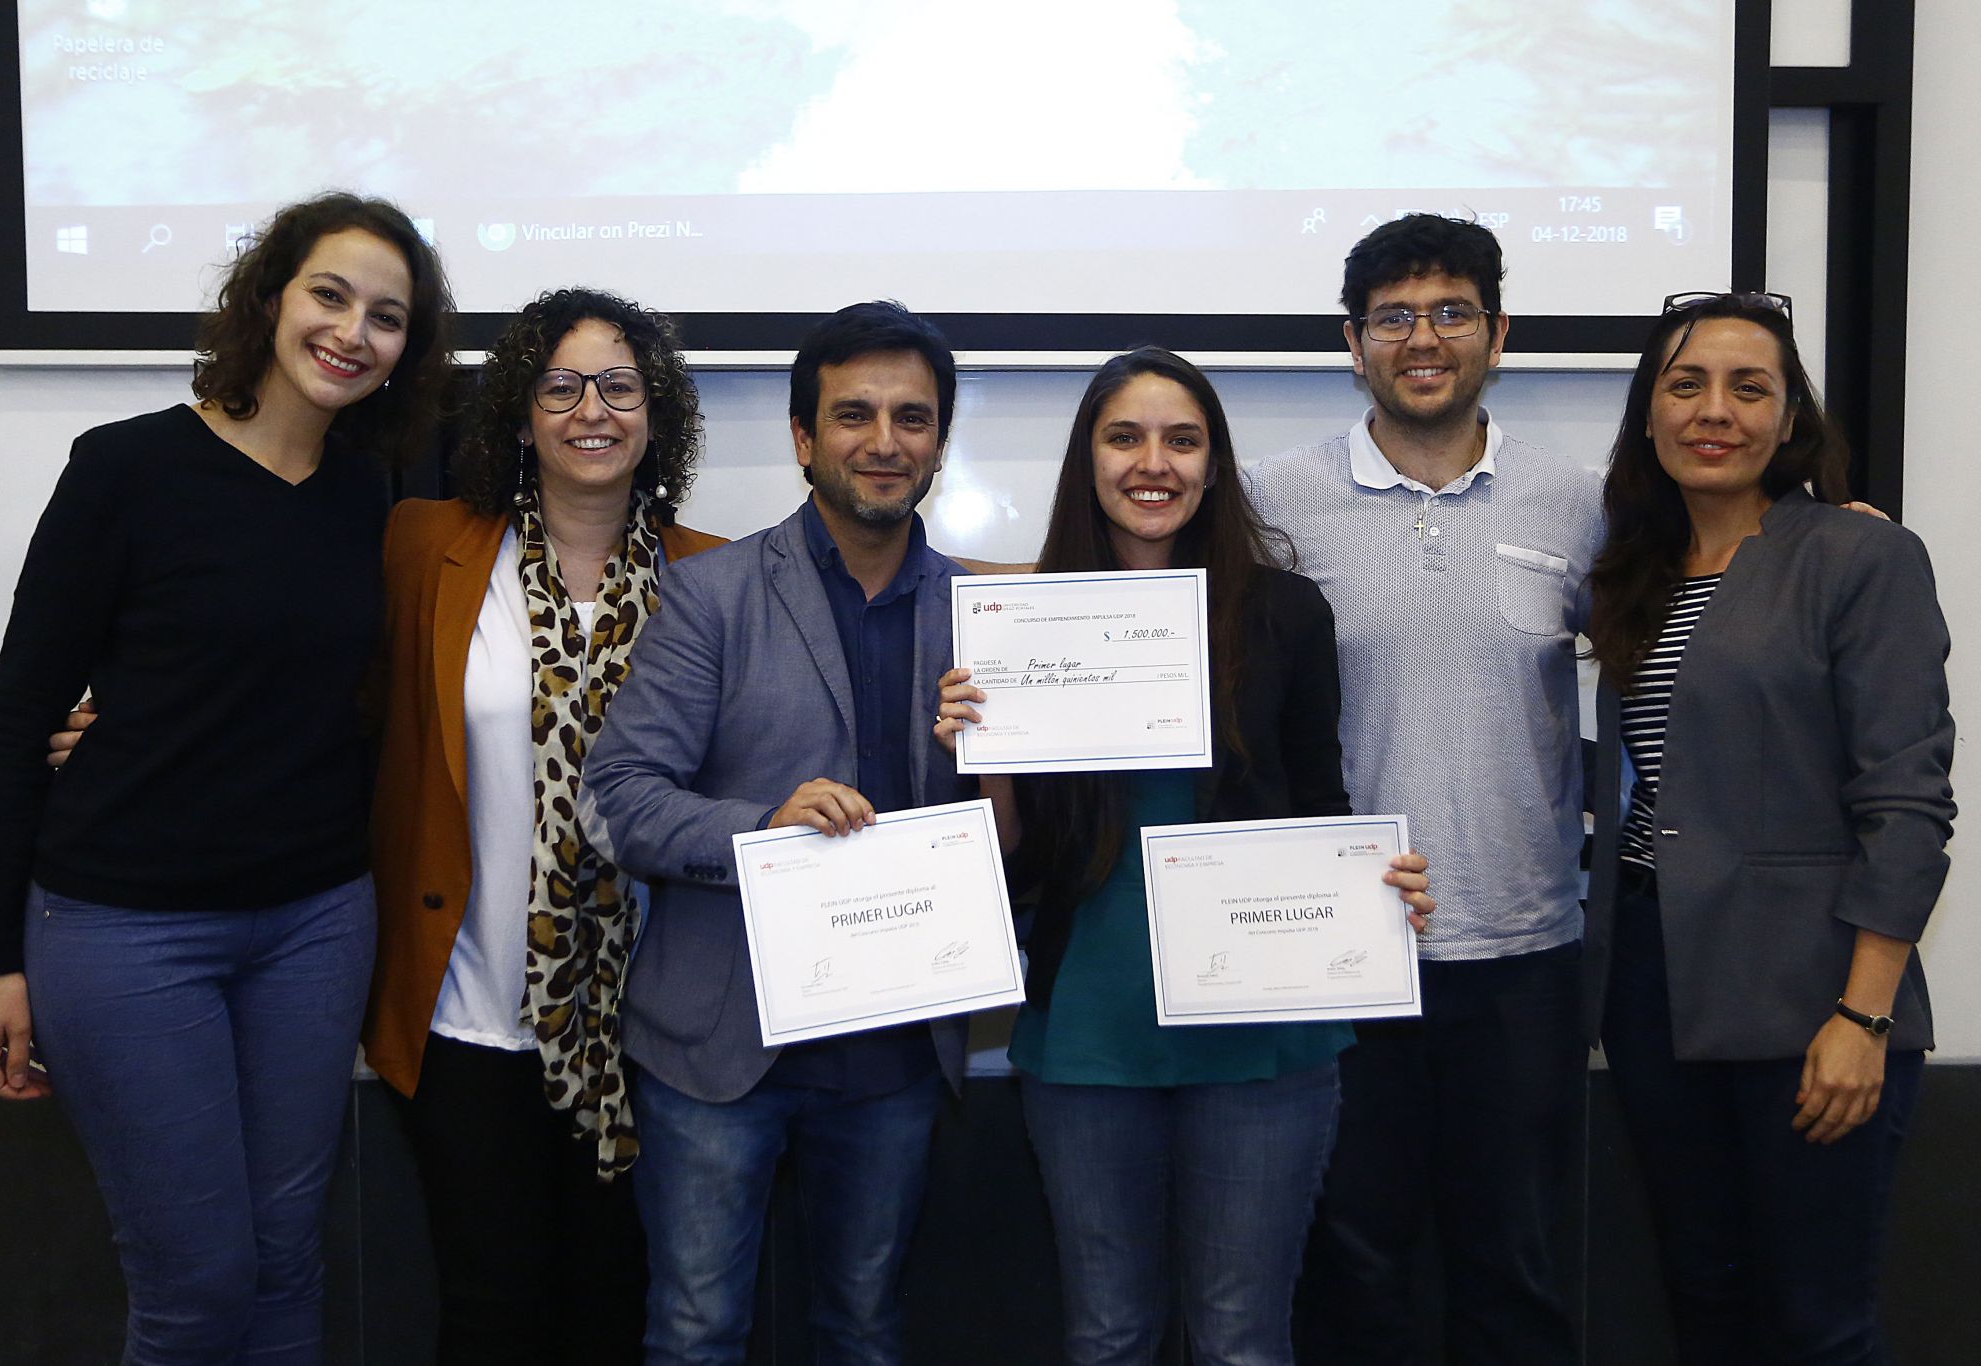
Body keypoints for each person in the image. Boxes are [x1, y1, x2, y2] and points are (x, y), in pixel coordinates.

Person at [0, 193, 453, 1363]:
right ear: (269, 296)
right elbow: (15, 721)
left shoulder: (370, 493)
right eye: (329, 294)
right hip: (126, 933)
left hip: (315, 924)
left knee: (286, 1264)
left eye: (386, 317)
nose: (352, 331)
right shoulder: (126, 468)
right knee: (195, 1284)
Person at [933, 347, 1435, 1366]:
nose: (1152, 463)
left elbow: (1321, 804)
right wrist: (984, 757)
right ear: (1088, 460)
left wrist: (1375, 893)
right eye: (1124, 438)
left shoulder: (1285, 614)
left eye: (1182, 439)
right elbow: (1013, 869)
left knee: (1242, 1339)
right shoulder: (1021, 622)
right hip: (1089, 1029)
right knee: (1108, 1335)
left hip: (1262, 1033)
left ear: (1213, 464)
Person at [581, 300, 974, 1365]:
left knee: (865, 1329)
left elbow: (1016, 836)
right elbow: (618, 795)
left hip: (895, 1050)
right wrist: (764, 826)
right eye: (853, 414)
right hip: (722, 1049)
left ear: (939, 442)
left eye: (911, 418)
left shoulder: (982, 615)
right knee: (697, 1332)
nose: (884, 442)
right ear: (803, 438)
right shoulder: (709, 596)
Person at [1248, 214, 1601, 1364]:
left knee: (1517, 1274)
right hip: (1346, 959)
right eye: (1392, 317)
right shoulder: (1271, 501)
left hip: (1525, 956)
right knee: (1352, 1278)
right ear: (1351, 343)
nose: (1422, 338)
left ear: (1496, 334)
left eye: (1451, 312)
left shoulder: (1575, 502)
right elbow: (1137, 599)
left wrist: (1821, 524)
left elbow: (1697, 602)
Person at [1582, 291, 1953, 1364]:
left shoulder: (1855, 554)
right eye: (1685, 385)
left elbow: (1906, 800)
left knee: (1814, 1322)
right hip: (1650, 977)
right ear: (1648, 412)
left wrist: (1862, 1016)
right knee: (1703, 1299)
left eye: (1749, 388)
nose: (1715, 411)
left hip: (1811, 986)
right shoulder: (1633, 571)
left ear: (1790, 418)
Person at [361, 289, 724, 1365]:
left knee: (618, 1308)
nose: (591, 411)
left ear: (655, 414)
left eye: (619, 387)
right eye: (559, 387)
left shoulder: (716, 575)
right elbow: (301, 664)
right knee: (491, 1311)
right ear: (519, 416)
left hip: (651, 1027)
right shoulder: (424, 549)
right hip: (469, 1016)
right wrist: (128, 714)